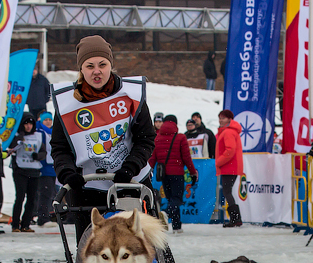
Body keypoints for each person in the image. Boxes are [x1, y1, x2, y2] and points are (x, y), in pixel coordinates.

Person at [50, 34, 156, 243]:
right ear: (81, 69)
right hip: (87, 187)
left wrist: (130, 167)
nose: (96, 71)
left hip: (131, 181)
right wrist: (67, 173)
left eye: (102, 64)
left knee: (142, 246)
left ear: (111, 65)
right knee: (92, 250)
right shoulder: (67, 104)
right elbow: (60, 147)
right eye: (89, 66)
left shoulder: (131, 96)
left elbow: (145, 139)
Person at [149, 114, 197, 234]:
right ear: (175, 124)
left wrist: (147, 171)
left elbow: (152, 158)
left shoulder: (157, 138)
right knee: (176, 199)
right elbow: (186, 158)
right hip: (177, 174)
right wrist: (193, 172)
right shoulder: (180, 137)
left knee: (171, 199)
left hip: (164, 175)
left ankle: (177, 226)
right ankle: (166, 213)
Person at [8, 112, 47, 232]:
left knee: (31, 198)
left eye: (30, 124)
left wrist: (38, 156)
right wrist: (18, 139)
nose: (28, 126)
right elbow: (10, 148)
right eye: (26, 124)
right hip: (20, 170)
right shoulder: (16, 136)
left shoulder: (38, 136)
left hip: (34, 170)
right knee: (19, 197)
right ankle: (15, 224)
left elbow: (43, 152)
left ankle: (26, 224)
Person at [216, 109, 244, 228]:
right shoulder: (230, 131)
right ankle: (235, 218)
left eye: (223, 118)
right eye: (220, 118)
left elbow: (230, 150)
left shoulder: (228, 132)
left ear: (229, 119)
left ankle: (235, 218)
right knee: (228, 192)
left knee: (227, 192)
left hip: (229, 166)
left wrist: (218, 161)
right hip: (230, 166)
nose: (220, 120)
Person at [35, 111, 57, 227]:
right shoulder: (39, 132)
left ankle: (46, 215)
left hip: (53, 167)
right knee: (45, 193)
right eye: (45, 120)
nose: (48, 122)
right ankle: (42, 217)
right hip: (44, 167)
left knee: (51, 193)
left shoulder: (53, 132)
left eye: (50, 120)